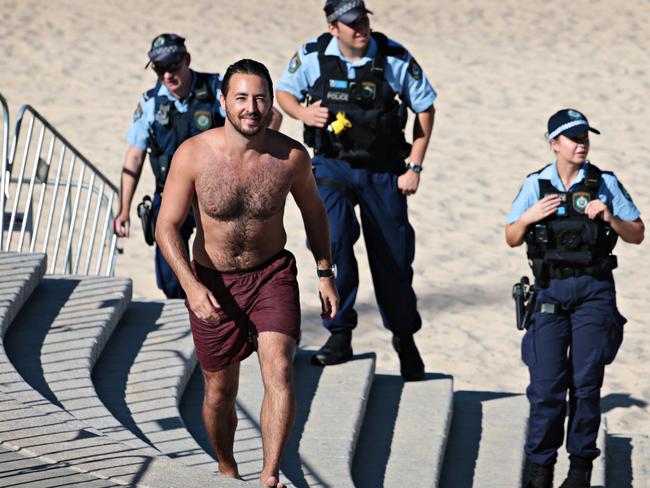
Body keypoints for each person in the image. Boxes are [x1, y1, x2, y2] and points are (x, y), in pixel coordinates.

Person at [155, 58, 339, 488]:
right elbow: (167, 226)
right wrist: (192, 287)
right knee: (219, 393)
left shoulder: (291, 157)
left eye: (259, 98)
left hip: (271, 273)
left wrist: (325, 271)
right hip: (213, 283)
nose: (251, 108)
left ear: (271, 103)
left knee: (279, 369)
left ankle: (269, 474)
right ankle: (226, 465)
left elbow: (314, 212)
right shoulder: (194, 155)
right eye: (241, 98)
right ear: (223, 102)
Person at [276, 0, 436, 381]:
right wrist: (302, 113)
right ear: (333, 28)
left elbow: (426, 108)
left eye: (363, 20)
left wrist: (414, 165)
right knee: (335, 239)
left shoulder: (394, 57)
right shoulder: (313, 56)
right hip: (333, 165)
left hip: (384, 171)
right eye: (351, 23)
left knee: (393, 257)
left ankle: (404, 337)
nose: (360, 28)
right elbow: (285, 92)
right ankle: (340, 333)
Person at [505, 109, 644, 488]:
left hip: (594, 292)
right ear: (555, 144)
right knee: (547, 386)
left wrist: (611, 218)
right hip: (549, 291)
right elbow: (512, 237)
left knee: (585, 384)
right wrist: (528, 218)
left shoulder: (605, 183)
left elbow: (637, 234)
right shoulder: (536, 184)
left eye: (585, 137)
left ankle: (580, 468)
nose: (582, 144)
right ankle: (540, 468)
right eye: (573, 138)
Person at [113, 33, 282, 299]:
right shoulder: (150, 102)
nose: (167, 75)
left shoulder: (216, 89)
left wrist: (254, 161)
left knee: (223, 267)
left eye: (172, 66)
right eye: (159, 69)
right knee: (170, 279)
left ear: (187, 60)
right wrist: (123, 210)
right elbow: (134, 157)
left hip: (215, 194)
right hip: (170, 193)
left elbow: (271, 117)